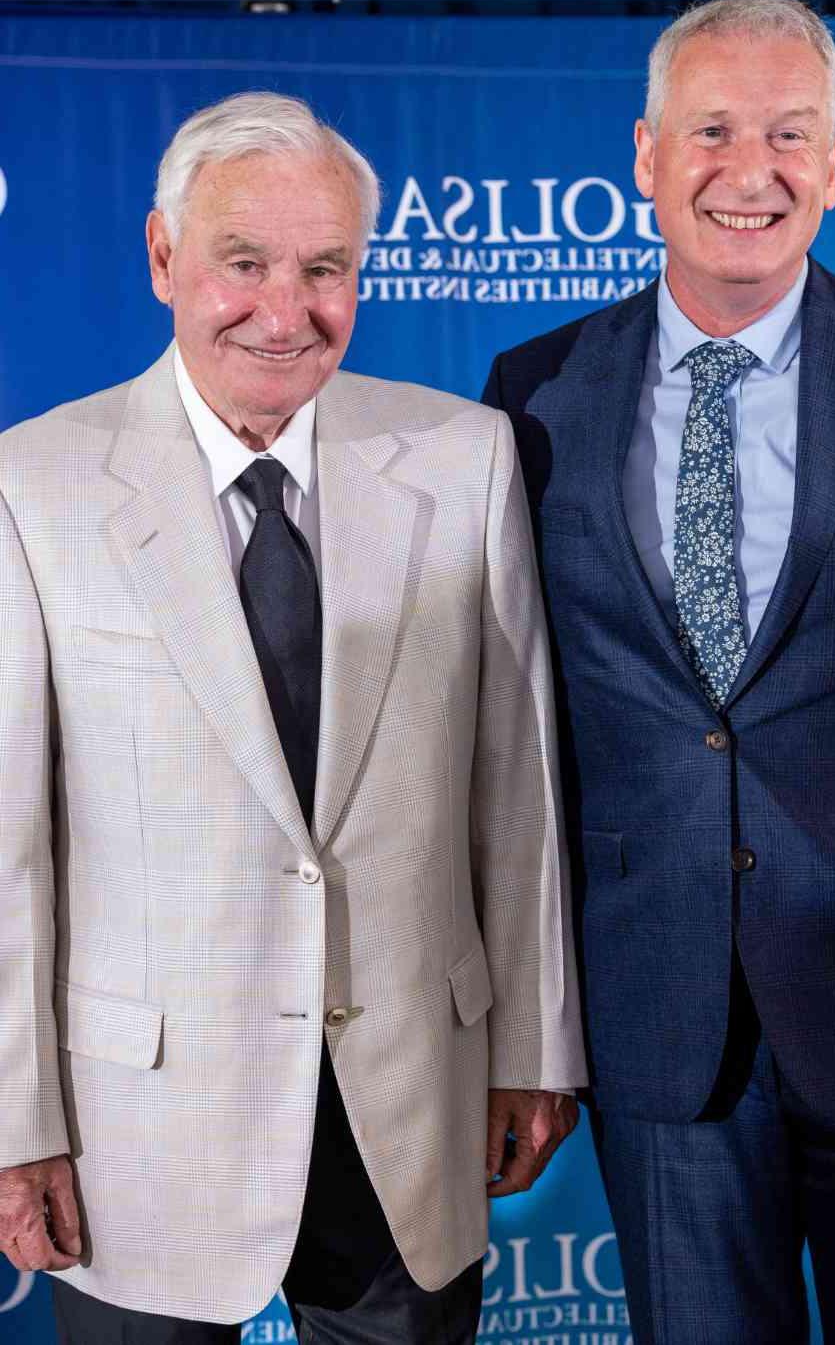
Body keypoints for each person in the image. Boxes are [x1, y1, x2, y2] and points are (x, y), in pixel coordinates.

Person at [0, 92, 585, 1345]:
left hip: (409, 1109)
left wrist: (534, 1040)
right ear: (165, 257)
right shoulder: (32, 482)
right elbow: (8, 844)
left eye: (325, 269)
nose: (285, 309)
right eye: (243, 263)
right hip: (134, 1134)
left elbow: (516, 785)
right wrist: (14, 1122)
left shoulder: (467, 457)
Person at [483, 0, 835, 1345]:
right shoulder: (530, 393)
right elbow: (508, 740)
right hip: (664, 1028)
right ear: (649, 156)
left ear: (834, 164)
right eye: (713, 130)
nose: (750, 169)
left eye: (789, 132)